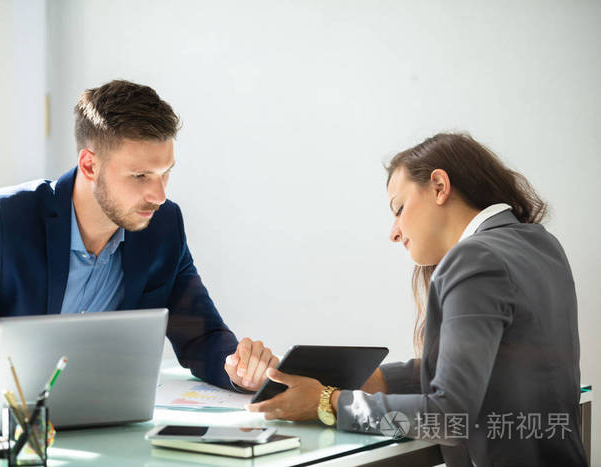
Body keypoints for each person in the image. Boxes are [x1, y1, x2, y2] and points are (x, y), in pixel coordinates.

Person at [0, 80, 277, 393]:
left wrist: (238, 368)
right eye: (140, 176)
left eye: (165, 173)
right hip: (0, 434)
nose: (159, 195)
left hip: (108, 429)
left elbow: (200, 337)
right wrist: (40, 380)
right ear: (89, 164)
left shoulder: (161, 227)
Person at [247, 133, 587, 466]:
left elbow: (448, 417)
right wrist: (369, 380)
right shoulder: (540, 244)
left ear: (439, 186)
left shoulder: (474, 259)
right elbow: (493, 366)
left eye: (398, 209)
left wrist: (329, 403)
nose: (393, 231)